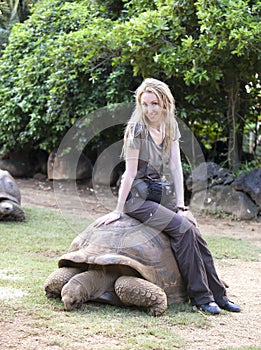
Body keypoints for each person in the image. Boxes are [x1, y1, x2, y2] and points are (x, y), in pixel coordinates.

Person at [95, 78, 241, 314]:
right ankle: (201, 298)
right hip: (137, 200)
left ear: (165, 103)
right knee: (182, 230)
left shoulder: (169, 126)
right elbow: (129, 174)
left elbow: (175, 167)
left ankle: (219, 296)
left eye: (154, 103)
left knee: (194, 231)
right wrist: (118, 210)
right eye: (144, 104)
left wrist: (182, 206)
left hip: (159, 194)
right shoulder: (136, 130)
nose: (150, 109)